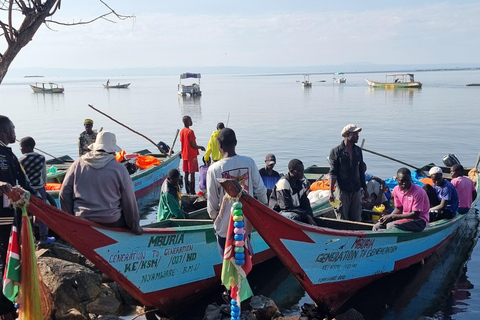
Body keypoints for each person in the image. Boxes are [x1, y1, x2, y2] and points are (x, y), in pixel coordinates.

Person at [60, 131, 142, 235]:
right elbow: (129, 200)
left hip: (81, 218)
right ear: (113, 151)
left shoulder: (77, 164)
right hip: (110, 220)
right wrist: (135, 226)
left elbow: (64, 193)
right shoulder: (119, 169)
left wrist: (71, 219)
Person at [207, 128, 267, 256]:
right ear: (236, 142)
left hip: (225, 227)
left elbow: (212, 204)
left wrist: (216, 222)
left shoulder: (213, 169)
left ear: (219, 146)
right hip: (245, 223)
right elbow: (261, 191)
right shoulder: (249, 162)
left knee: (228, 268)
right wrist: (263, 210)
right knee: (243, 262)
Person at [0, 115, 38, 319]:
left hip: (13, 218)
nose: (16, 133)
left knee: (11, 260)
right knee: (3, 262)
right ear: (5, 129)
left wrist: (42, 204)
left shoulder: (10, 153)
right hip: (2, 220)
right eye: (13, 129)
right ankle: (5, 310)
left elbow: (24, 182)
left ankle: (8, 306)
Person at [329, 124, 368, 221]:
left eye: (357, 134)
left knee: (356, 217)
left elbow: (361, 171)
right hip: (342, 190)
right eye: (355, 134)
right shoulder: (336, 151)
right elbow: (333, 173)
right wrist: (331, 192)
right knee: (342, 216)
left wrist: (365, 188)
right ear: (347, 135)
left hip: (356, 188)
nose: (357, 136)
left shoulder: (358, 151)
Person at [19, 136, 55, 243]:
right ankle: (43, 237)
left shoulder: (20, 160)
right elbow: (44, 174)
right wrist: (43, 184)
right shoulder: (41, 157)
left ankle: (30, 238)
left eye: (21, 147)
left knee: (27, 214)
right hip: (39, 188)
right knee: (41, 213)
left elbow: (21, 176)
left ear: (26, 148)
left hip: (26, 191)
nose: (20, 149)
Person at [373, 167, 430, 232]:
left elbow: (415, 214)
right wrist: (388, 217)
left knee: (391, 226)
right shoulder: (396, 190)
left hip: (419, 220)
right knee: (377, 226)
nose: (404, 183)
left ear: (410, 179)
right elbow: (398, 209)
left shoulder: (418, 192)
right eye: (402, 181)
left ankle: (395, 241)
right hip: (405, 218)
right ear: (397, 179)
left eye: (407, 180)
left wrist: (392, 217)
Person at [269, 159, 316, 225]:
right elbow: (286, 207)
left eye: (303, 170)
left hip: (295, 210)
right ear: (291, 171)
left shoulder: (300, 184)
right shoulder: (284, 183)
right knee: (295, 217)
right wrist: (306, 216)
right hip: (279, 213)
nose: (302, 173)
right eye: (300, 171)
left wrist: (310, 216)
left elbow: (306, 204)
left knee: (309, 216)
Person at [180, 116, 205, 194]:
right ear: (187, 122)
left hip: (184, 154)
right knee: (192, 173)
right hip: (191, 155)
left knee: (186, 173)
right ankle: (192, 190)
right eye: (190, 120)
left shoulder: (182, 131)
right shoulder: (190, 132)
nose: (191, 122)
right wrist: (201, 147)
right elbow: (192, 145)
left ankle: (187, 190)